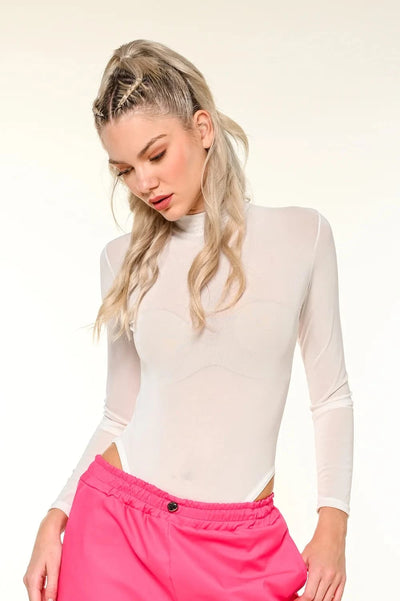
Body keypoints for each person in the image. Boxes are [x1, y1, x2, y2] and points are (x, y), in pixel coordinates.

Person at [23, 39, 353, 601]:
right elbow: (117, 412)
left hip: (241, 549)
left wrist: (333, 528)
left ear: (202, 129)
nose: (143, 183)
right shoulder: (121, 261)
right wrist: (55, 517)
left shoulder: (304, 236)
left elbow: (332, 398)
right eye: (124, 170)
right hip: (116, 532)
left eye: (155, 155)